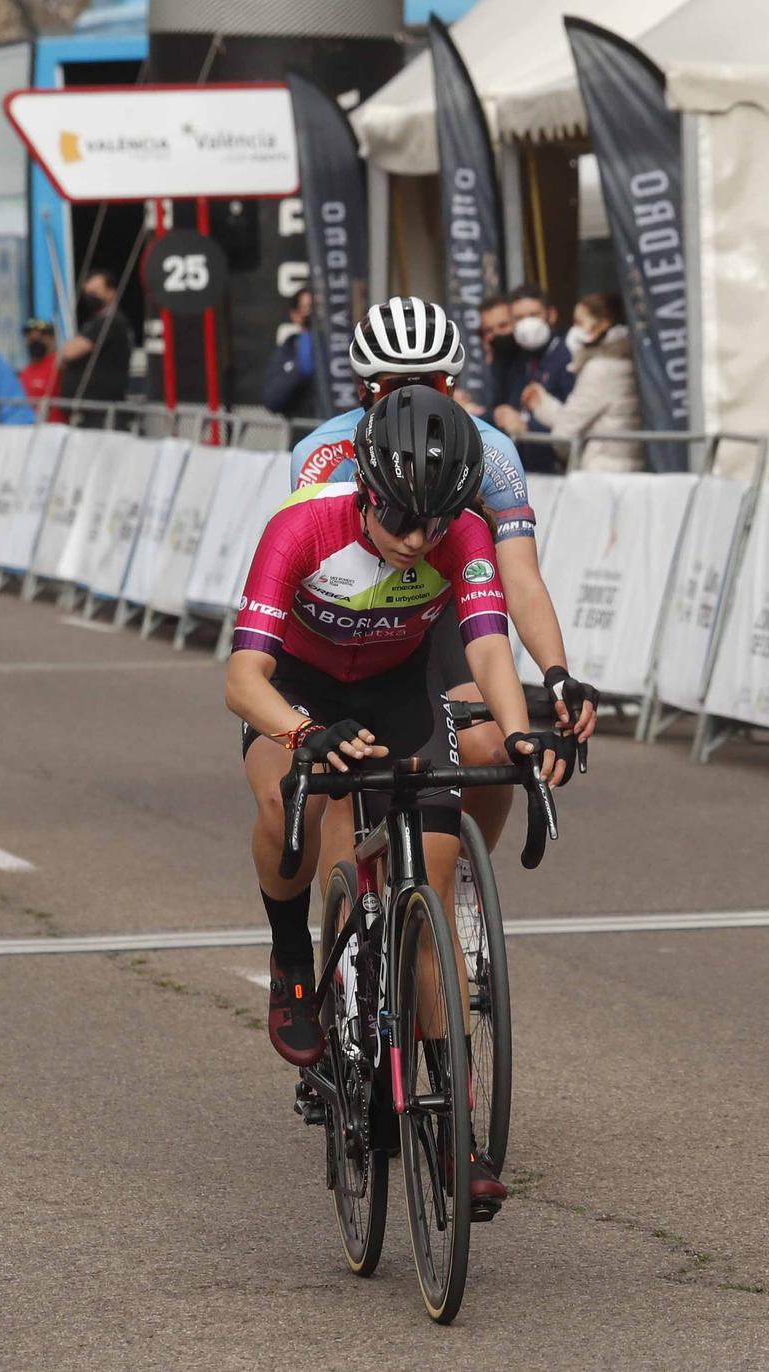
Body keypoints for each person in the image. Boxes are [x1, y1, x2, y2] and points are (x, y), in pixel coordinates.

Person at [228, 386, 567, 1207]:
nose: (420, 542)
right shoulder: (303, 525)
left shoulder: (463, 533)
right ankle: (292, 959)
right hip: (301, 693)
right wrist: (298, 733)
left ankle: (455, 1131)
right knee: (295, 812)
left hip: (398, 693)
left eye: (437, 524)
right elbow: (243, 678)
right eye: (403, 523)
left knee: (434, 893)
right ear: (366, 494)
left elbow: (488, 651)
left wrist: (520, 731)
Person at [291, 296, 595, 891]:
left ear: (451, 383)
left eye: (428, 383)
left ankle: (453, 880)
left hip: (443, 610)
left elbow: (521, 579)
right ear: (363, 389)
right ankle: (351, 932)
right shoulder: (323, 456)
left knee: (490, 747)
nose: (414, 399)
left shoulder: (491, 452)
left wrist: (557, 672)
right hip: (356, 619)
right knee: (346, 774)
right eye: (393, 387)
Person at [521, 292, 644, 472]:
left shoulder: (600, 368)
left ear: (601, 326)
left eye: (579, 323)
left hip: (601, 473)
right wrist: (542, 404)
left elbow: (565, 434)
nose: (573, 330)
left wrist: (541, 407)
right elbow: (578, 418)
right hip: (619, 469)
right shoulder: (621, 362)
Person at [487, 284, 573, 460]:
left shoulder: (568, 355)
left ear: (551, 315)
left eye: (534, 315)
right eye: (519, 318)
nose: (527, 324)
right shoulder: (521, 358)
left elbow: (575, 422)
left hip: (558, 466)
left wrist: (525, 427)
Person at [57, 268, 134, 418]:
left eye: (96, 291)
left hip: (100, 413)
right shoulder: (94, 322)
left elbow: (69, 352)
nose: (90, 296)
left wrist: (65, 354)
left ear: (111, 292)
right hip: (86, 413)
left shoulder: (110, 322)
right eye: (88, 292)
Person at [261, 288, 321, 422]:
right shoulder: (287, 350)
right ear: (295, 315)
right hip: (301, 430)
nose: (311, 314)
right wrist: (295, 369)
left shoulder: (339, 348)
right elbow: (271, 400)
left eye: (316, 308)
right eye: (306, 309)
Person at [19, 320, 59, 409]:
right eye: (30, 338)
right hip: (28, 421)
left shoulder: (60, 366)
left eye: (39, 337)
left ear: (51, 338)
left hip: (54, 422)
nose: (34, 341)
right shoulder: (26, 371)